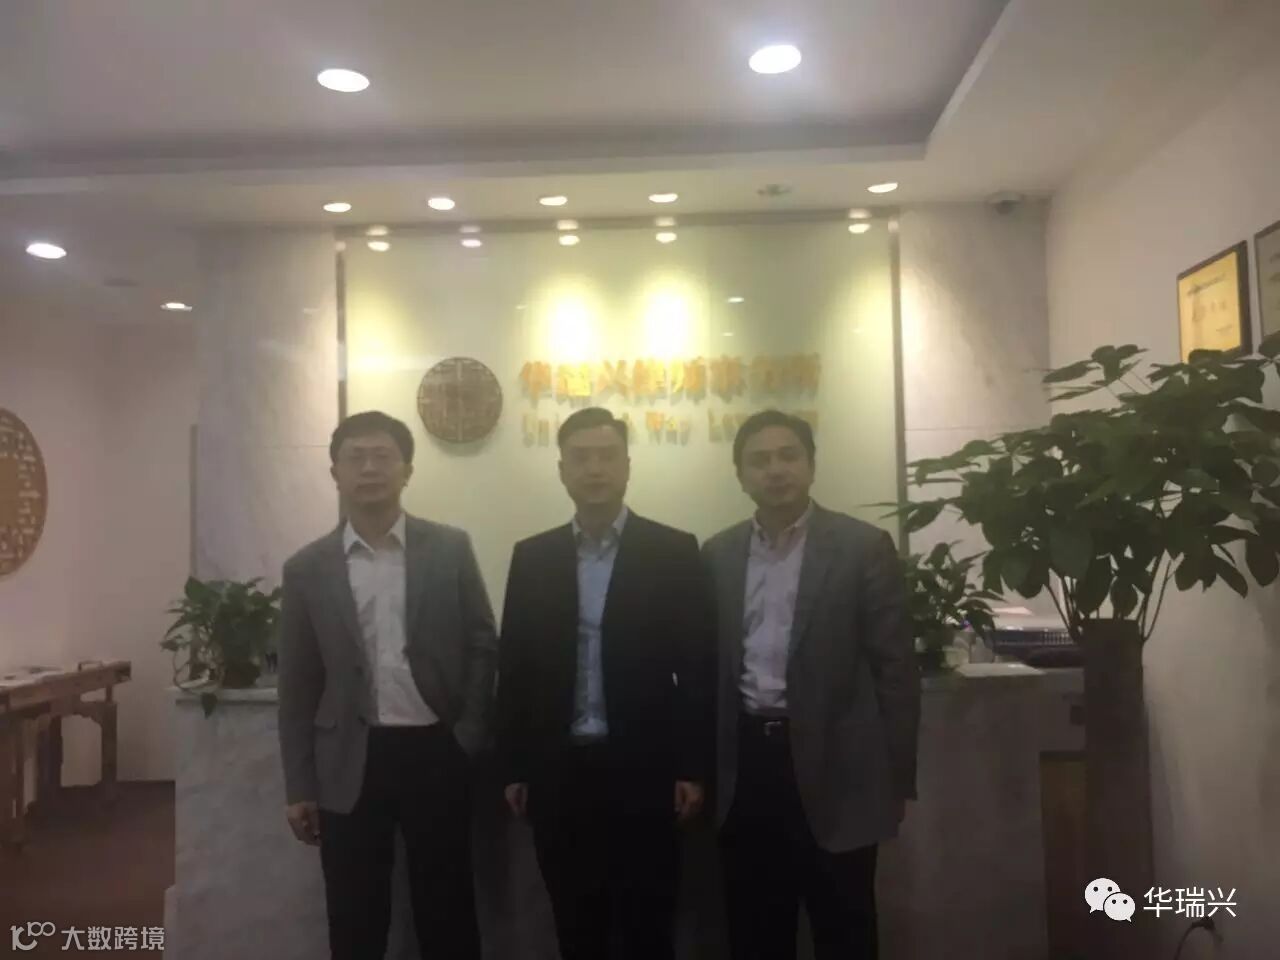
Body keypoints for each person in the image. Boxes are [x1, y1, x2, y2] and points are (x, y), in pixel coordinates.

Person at [277, 410, 497, 960]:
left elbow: (482, 641)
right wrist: (299, 784)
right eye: (356, 458)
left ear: (407, 470)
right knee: (355, 911)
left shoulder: (449, 548)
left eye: (383, 456)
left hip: (436, 748)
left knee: (447, 906)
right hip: (349, 757)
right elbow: (298, 682)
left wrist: (468, 735)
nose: (370, 468)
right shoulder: (307, 568)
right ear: (335, 472)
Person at [495, 406, 714, 960]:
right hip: (559, 771)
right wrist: (515, 766)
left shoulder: (673, 550)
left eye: (607, 456)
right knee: (575, 924)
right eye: (581, 458)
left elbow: (695, 666)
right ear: (562, 470)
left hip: (645, 770)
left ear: (628, 466)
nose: (595, 469)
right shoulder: (533, 556)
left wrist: (691, 767)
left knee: (649, 922)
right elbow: (515, 666)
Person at [702, 410, 920, 960]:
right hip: (748, 768)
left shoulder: (862, 547)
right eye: (759, 460)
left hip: (839, 768)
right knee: (755, 929)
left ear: (811, 465)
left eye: (788, 456)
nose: (775, 470)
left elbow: (895, 668)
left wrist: (896, 776)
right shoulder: (717, 554)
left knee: (844, 926)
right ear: (740, 475)